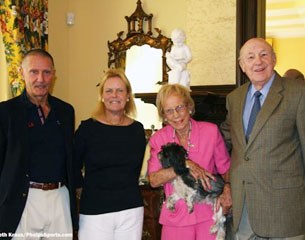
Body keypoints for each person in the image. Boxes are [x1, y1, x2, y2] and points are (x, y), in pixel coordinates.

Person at [220, 38, 305, 239]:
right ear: (242, 66)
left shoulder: (298, 92)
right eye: (250, 57)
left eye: (264, 54)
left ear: (274, 59)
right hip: (244, 208)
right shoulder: (234, 98)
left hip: (285, 209)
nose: (257, 61)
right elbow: (226, 138)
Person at [0, 49, 77, 239]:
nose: (40, 79)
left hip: (60, 198)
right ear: (22, 72)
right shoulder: (6, 112)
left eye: (47, 72)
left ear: (54, 74)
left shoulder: (66, 111)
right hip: (23, 199)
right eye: (34, 72)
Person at [147, 83, 231, 240]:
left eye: (179, 107)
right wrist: (183, 165)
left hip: (209, 215)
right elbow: (153, 180)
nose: (176, 115)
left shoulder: (210, 131)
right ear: (164, 116)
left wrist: (228, 191)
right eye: (169, 111)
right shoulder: (159, 139)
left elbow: (226, 169)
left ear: (189, 107)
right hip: (175, 218)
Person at [74, 68, 146, 240]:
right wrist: (81, 190)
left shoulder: (137, 130)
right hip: (95, 210)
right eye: (109, 91)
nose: (115, 95)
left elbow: (134, 171)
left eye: (120, 90)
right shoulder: (87, 129)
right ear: (102, 96)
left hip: (131, 210)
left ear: (128, 95)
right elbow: (73, 165)